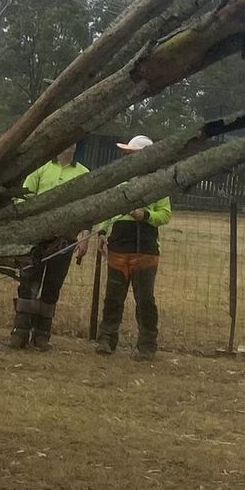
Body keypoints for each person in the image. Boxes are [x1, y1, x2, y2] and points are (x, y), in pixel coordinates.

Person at [91, 134, 172, 357]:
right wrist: (102, 231)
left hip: (145, 249)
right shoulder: (121, 182)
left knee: (145, 299)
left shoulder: (159, 184)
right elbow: (109, 209)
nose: (127, 156)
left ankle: (147, 345)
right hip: (118, 247)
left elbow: (165, 215)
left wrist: (145, 215)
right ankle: (106, 339)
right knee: (113, 297)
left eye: (131, 153)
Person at [10, 139, 93, 351]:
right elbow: (23, 200)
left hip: (65, 239)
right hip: (37, 239)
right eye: (66, 142)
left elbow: (88, 207)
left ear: (76, 147)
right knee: (28, 283)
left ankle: (42, 335)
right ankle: (20, 332)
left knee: (52, 287)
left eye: (73, 142)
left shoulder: (84, 173)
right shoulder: (40, 170)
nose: (69, 145)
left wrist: (85, 236)